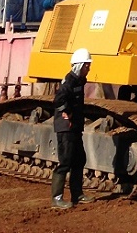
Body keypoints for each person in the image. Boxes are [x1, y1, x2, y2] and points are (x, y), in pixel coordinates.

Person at [50, 47, 92, 209]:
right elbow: (59, 100)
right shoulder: (69, 81)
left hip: (75, 128)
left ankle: (77, 194)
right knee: (65, 161)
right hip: (66, 128)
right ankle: (57, 198)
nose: (89, 68)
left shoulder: (79, 81)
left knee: (79, 159)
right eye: (87, 65)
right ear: (79, 65)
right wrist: (66, 112)